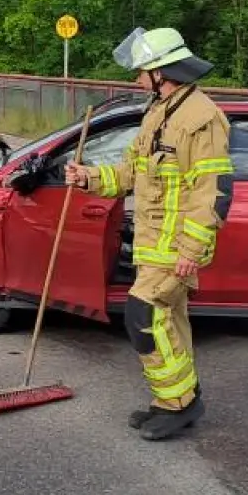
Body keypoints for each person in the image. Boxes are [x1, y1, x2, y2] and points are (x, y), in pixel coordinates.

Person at [65, 27, 233, 441]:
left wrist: (192, 249)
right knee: (169, 322)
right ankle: (175, 399)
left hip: (175, 247)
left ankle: (178, 404)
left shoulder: (201, 118)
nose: (138, 79)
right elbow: (130, 173)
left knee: (143, 314)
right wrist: (88, 178)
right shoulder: (159, 111)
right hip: (152, 246)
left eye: (143, 71)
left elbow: (211, 191)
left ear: (164, 72)